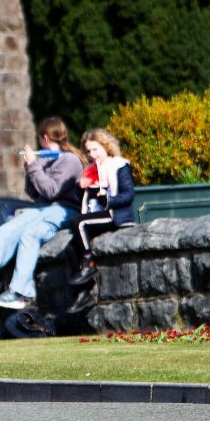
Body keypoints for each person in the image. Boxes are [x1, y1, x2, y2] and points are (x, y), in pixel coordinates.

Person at [0, 117, 86, 310]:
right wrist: (30, 167)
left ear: (44, 138)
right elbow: (35, 194)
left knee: (30, 233)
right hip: (43, 209)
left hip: (64, 210)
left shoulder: (70, 160)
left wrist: (34, 166)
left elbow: (52, 191)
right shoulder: (44, 159)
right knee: (5, 230)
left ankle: (19, 292)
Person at [65, 128, 136, 315]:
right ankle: (83, 294)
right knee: (71, 249)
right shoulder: (91, 171)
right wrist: (81, 187)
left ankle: (89, 264)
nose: (92, 155)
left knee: (78, 223)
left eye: (95, 150)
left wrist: (107, 199)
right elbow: (83, 199)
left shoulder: (120, 165)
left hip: (115, 215)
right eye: (88, 151)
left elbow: (128, 194)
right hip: (96, 214)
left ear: (106, 147)